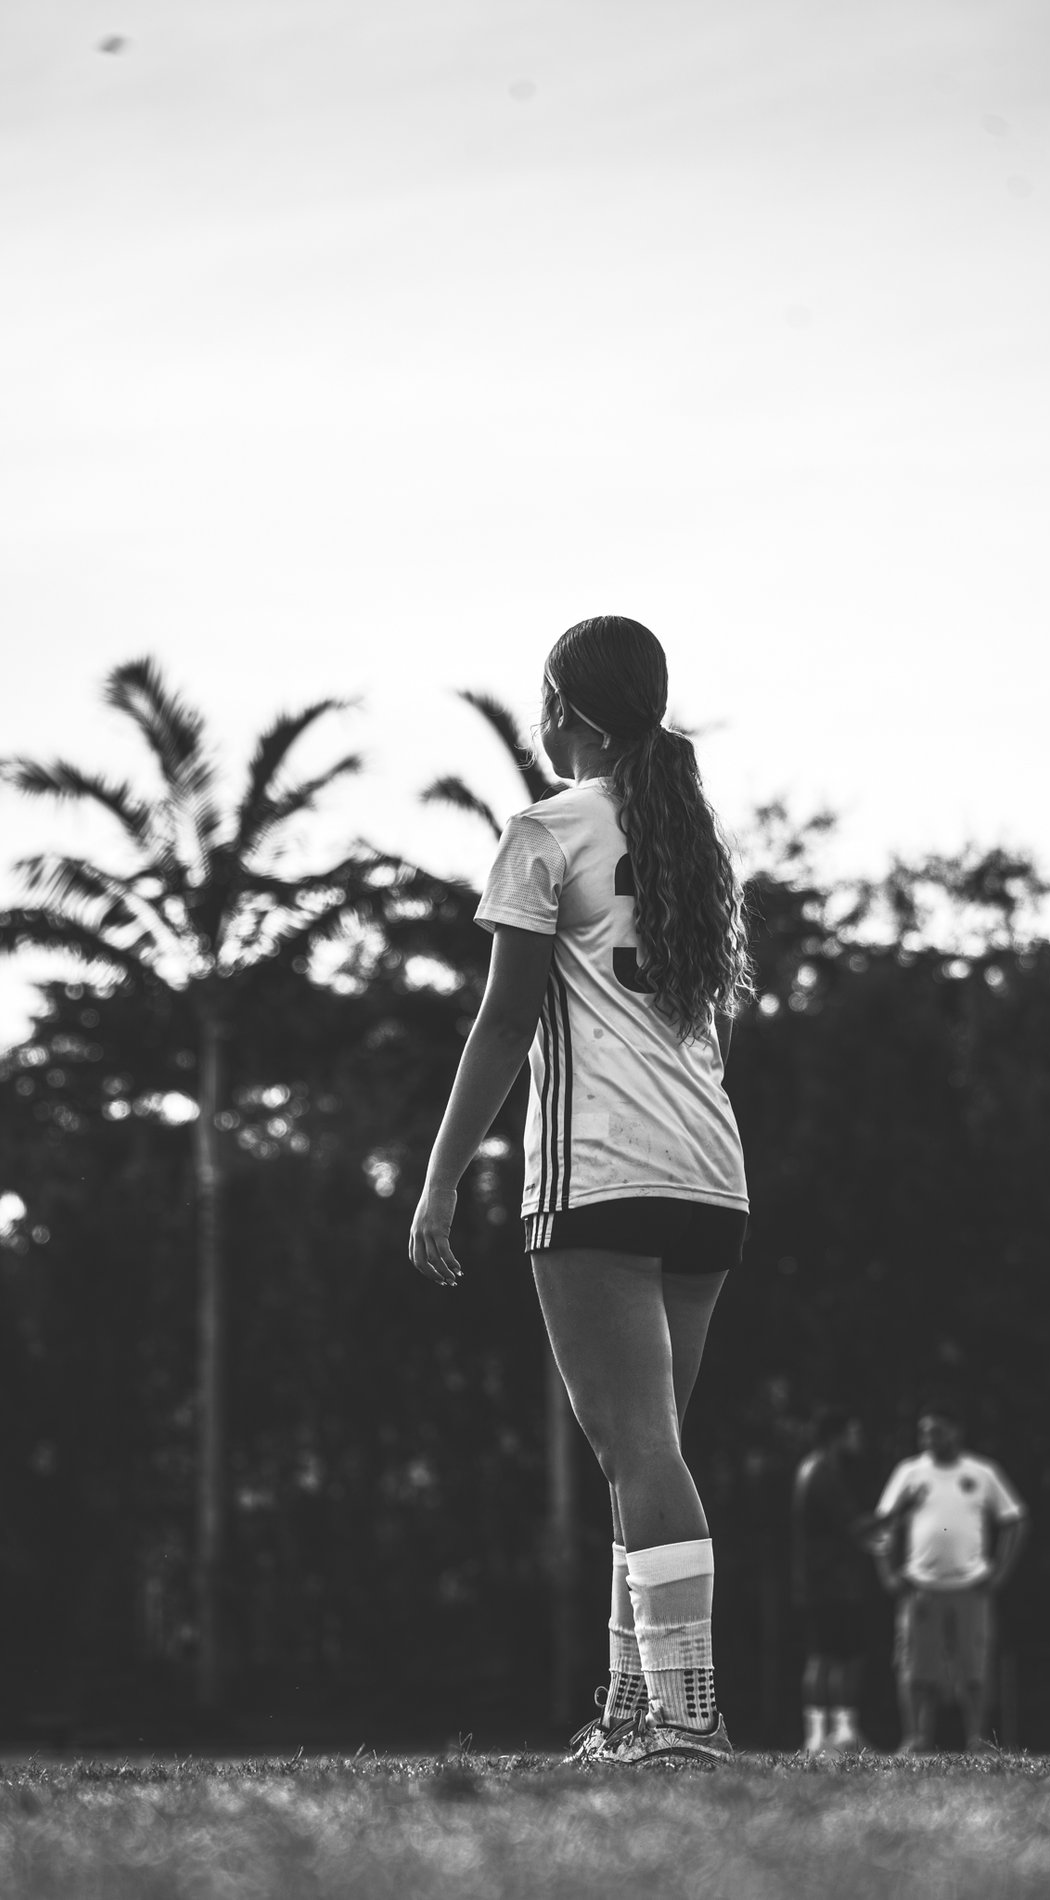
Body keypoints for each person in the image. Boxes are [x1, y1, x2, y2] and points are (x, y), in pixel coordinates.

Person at [408, 615, 754, 1767]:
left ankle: (688, 1717)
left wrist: (440, 1178)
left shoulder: (547, 829)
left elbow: (505, 1018)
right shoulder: (688, 834)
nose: (540, 719)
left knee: (638, 1451)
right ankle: (632, 1715)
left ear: (573, 713)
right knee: (646, 1453)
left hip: (600, 1172)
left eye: (546, 701)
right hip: (709, 1172)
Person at [873, 1397, 1027, 1753]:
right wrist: (888, 1573)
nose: (929, 1438)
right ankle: (916, 1738)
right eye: (924, 1432)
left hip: (971, 1587)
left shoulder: (981, 1472)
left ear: (956, 1432)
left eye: (937, 1431)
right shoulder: (909, 1472)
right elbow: (884, 1524)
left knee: (973, 1669)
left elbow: (1014, 1520)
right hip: (920, 1587)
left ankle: (977, 1739)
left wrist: (1000, 1570)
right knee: (915, 1668)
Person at [791, 1407, 890, 1754]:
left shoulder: (811, 1469)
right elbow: (853, 1526)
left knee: (828, 1656)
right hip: (830, 1582)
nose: (858, 1438)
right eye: (853, 1431)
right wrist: (900, 1510)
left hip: (819, 1580)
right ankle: (830, 1737)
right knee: (837, 1658)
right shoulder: (822, 1472)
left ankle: (827, 1735)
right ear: (837, 1435)